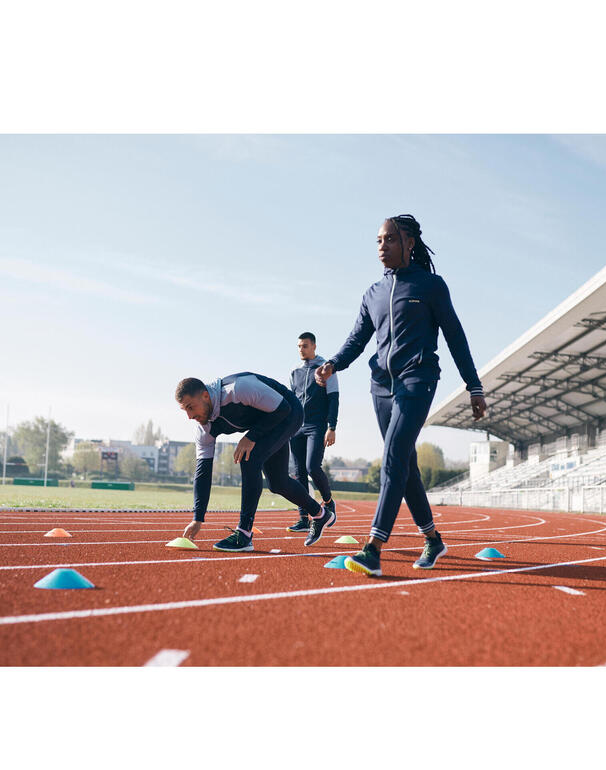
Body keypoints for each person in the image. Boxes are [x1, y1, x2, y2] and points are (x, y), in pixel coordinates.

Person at [315, 214, 486, 576]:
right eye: (378, 240)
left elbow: (456, 336)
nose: (382, 246)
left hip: (417, 379)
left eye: (390, 239)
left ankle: (373, 547)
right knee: (405, 466)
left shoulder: (431, 286)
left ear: (409, 242)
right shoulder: (372, 294)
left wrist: (474, 386)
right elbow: (356, 340)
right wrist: (332, 363)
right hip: (381, 387)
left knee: (393, 456)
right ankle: (433, 539)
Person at [176, 372, 335, 552]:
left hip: (289, 411)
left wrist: (251, 437)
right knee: (278, 483)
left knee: (249, 458)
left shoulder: (238, 389)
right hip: (266, 420)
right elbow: (203, 471)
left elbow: (283, 409)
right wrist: (198, 517)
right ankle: (320, 514)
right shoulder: (204, 427)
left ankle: (244, 534)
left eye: (191, 407)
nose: (189, 416)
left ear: (205, 395)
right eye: (185, 410)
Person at [286, 331, 339, 533]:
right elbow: (291, 398)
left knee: (312, 467)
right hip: (296, 427)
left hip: (317, 425)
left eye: (305, 346)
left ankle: (328, 502)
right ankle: (303, 518)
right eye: (299, 346)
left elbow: (334, 398)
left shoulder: (326, 369)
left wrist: (331, 427)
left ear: (314, 346)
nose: (301, 349)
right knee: (298, 473)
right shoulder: (294, 370)